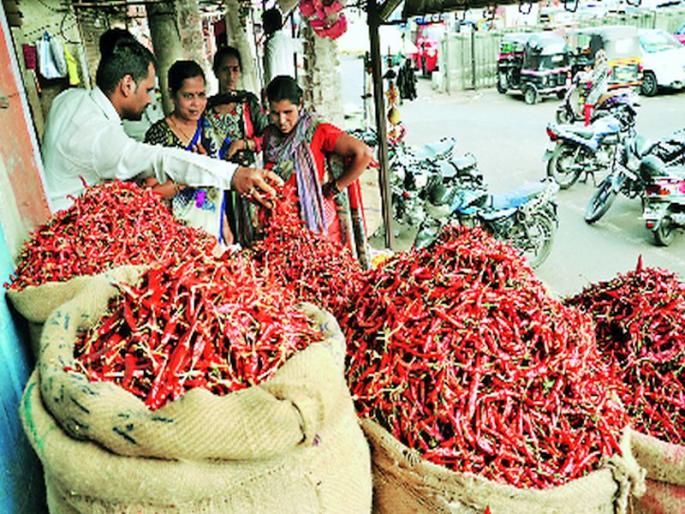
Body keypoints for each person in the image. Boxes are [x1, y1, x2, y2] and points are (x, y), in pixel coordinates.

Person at [41, 38, 280, 212]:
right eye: (148, 90)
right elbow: (161, 160)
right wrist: (233, 175)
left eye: (201, 95)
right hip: (68, 229)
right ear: (127, 85)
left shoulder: (68, 99)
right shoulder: (103, 138)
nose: (150, 100)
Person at [263, 75, 372, 267]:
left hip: (317, 223)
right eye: (275, 113)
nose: (282, 120)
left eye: (288, 112)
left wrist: (335, 187)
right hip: (283, 227)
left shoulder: (317, 130)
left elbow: (363, 154)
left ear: (301, 104)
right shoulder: (270, 135)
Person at [144, 60, 231, 244]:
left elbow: (211, 190)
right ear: (172, 95)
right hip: (174, 234)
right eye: (188, 96)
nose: (196, 104)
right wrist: (189, 175)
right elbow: (151, 193)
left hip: (209, 225)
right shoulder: (159, 135)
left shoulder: (210, 129)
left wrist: (224, 226)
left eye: (201, 95)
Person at [206, 46, 270, 245]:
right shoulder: (207, 107)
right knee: (219, 229)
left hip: (246, 177)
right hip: (216, 179)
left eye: (235, 69)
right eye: (225, 70)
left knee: (253, 230)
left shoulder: (248, 103)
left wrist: (243, 144)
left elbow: (269, 136)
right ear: (216, 72)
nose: (231, 76)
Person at [262, 8, 296, 85]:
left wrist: (268, 89)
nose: (263, 27)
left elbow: (270, 71)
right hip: (290, 84)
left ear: (270, 24)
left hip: (277, 86)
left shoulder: (270, 43)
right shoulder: (288, 40)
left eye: (264, 23)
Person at [584, 49, 610, 126]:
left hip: (599, 88)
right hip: (602, 87)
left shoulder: (602, 65)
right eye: (599, 56)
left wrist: (588, 80)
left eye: (601, 56)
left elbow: (596, 78)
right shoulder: (604, 65)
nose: (600, 58)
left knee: (588, 103)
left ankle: (587, 124)